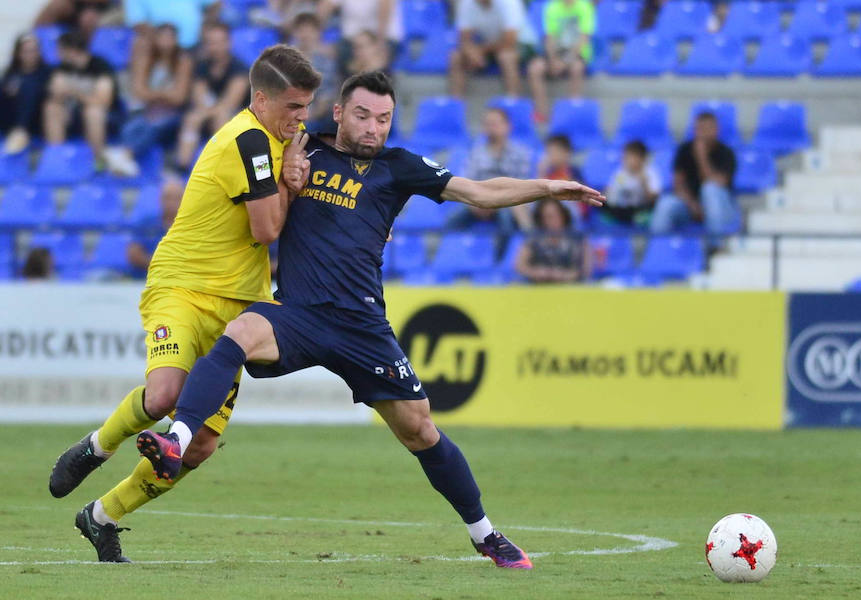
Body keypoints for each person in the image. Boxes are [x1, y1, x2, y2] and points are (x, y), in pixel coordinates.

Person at [134, 70, 604, 569]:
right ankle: (176, 439)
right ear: (338, 113)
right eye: (362, 116)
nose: (372, 129)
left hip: (362, 327)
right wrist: (287, 172)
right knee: (239, 333)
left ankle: (485, 534)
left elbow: (478, 193)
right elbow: (252, 180)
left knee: (420, 431)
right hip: (299, 312)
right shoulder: (300, 146)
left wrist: (546, 189)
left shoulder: (399, 167)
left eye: (383, 119)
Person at [48, 44, 320, 563]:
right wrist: (291, 182)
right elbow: (267, 230)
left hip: (240, 308)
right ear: (260, 99)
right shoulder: (250, 143)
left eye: (306, 106)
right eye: (292, 107)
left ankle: (101, 517)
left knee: (197, 447)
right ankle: (96, 447)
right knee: (164, 395)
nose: (301, 117)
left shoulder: (274, 140)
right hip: (184, 286)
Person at [106, 23, 194, 177]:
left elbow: (179, 97)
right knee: (132, 127)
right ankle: (125, 158)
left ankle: (125, 156)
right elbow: (139, 92)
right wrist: (165, 94)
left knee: (153, 126)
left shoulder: (183, 62)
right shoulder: (145, 60)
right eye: (162, 37)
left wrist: (153, 94)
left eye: (170, 37)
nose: (166, 41)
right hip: (146, 111)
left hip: (172, 115)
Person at [174, 22, 249, 173]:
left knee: (221, 118)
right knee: (192, 118)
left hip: (239, 116)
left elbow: (230, 102)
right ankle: (182, 167)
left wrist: (206, 113)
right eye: (210, 43)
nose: (214, 47)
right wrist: (203, 113)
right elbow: (199, 95)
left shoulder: (240, 68)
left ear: (228, 43)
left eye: (218, 42)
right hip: (210, 112)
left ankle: (221, 168)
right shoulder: (202, 66)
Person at [42, 31, 123, 171]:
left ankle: (98, 161)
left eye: (60, 50)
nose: (57, 54)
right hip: (74, 115)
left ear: (71, 50)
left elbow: (104, 101)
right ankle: (58, 160)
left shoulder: (100, 66)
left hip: (107, 117)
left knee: (93, 112)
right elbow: (55, 93)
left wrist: (72, 91)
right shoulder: (62, 68)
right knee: (52, 107)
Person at [447, 107, 534, 235]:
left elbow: (522, 185)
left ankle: (502, 254)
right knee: (451, 222)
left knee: (506, 222)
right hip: (478, 201)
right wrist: (478, 202)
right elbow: (466, 182)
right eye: (487, 124)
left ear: (507, 126)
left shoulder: (520, 154)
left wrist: (496, 201)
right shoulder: (476, 153)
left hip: (507, 203)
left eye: (494, 124)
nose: (490, 128)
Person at [650, 112, 737, 235]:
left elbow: (718, 183)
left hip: (722, 209)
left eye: (708, 129)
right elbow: (677, 184)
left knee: (709, 190)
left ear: (716, 130)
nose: (704, 133)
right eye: (700, 129)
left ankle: (716, 247)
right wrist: (692, 205)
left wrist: (702, 157)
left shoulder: (726, 153)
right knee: (665, 203)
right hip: (690, 206)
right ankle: (656, 248)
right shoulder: (684, 150)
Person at [449, 0, 536, 98]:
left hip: (522, 43)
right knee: (456, 57)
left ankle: (512, 103)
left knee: (506, 57)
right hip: (491, 45)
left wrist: (479, 51)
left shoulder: (510, 2)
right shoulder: (467, 3)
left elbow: (510, 41)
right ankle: (455, 104)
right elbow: (464, 39)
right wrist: (470, 52)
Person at [527, 0, 595, 122]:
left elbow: (584, 38)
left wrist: (565, 61)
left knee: (576, 68)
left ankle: (571, 113)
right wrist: (553, 60)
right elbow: (550, 37)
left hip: (577, 53)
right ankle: (542, 113)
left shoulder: (585, 6)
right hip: (557, 52)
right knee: (535, 67)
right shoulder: (552, 7)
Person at [317, 0, 403, 77]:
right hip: (349, 40)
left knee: (375, 61)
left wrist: (380, 43)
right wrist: (317, 38)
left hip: (381, 38)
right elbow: (326, 5)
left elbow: (385, 6)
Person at [515, 198, 590, 283]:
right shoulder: (533, 239)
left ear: (564, 215)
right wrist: (536, 272)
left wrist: (569, 274)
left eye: (556, 215)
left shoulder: (578, 238)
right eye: (547, 217)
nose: (552, 220)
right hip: (538, 287)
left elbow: (586, 268)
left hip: (571, 288)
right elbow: (520, 266)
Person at [286, 12, 339, 134]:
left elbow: (326, 98)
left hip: (315, 117)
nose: (305, 35)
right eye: (301, 30)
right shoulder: (285, 61)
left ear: (318, 33)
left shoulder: (326, 62)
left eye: (310, 31)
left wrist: (307, 116)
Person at [1, 33, 50, 155]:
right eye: (26, 51)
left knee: (29, 87)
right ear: (18, 53)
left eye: (34, 51)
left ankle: (20, 130)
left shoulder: (47, 73)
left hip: (36, 120)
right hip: (10, 117)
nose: (31, 55)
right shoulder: (10, 73)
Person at [126, 178, 183, 279]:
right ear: (160, 199)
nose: (171, 203)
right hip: (143, 280)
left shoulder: (189, 226)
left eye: (177, 198)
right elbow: (133, 254)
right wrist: (165, 266)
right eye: (167, 198)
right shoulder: (146, 223)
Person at [604, 140, 660, 226]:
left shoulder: (650, 173)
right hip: (621, 207)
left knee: (651, 208)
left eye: (630, 157)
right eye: (625, 157)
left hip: (640, 208)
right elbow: (610, 191)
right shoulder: (621, 172)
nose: (626, 160)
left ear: (642, 158)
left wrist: (644, 183)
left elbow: (653, 199)